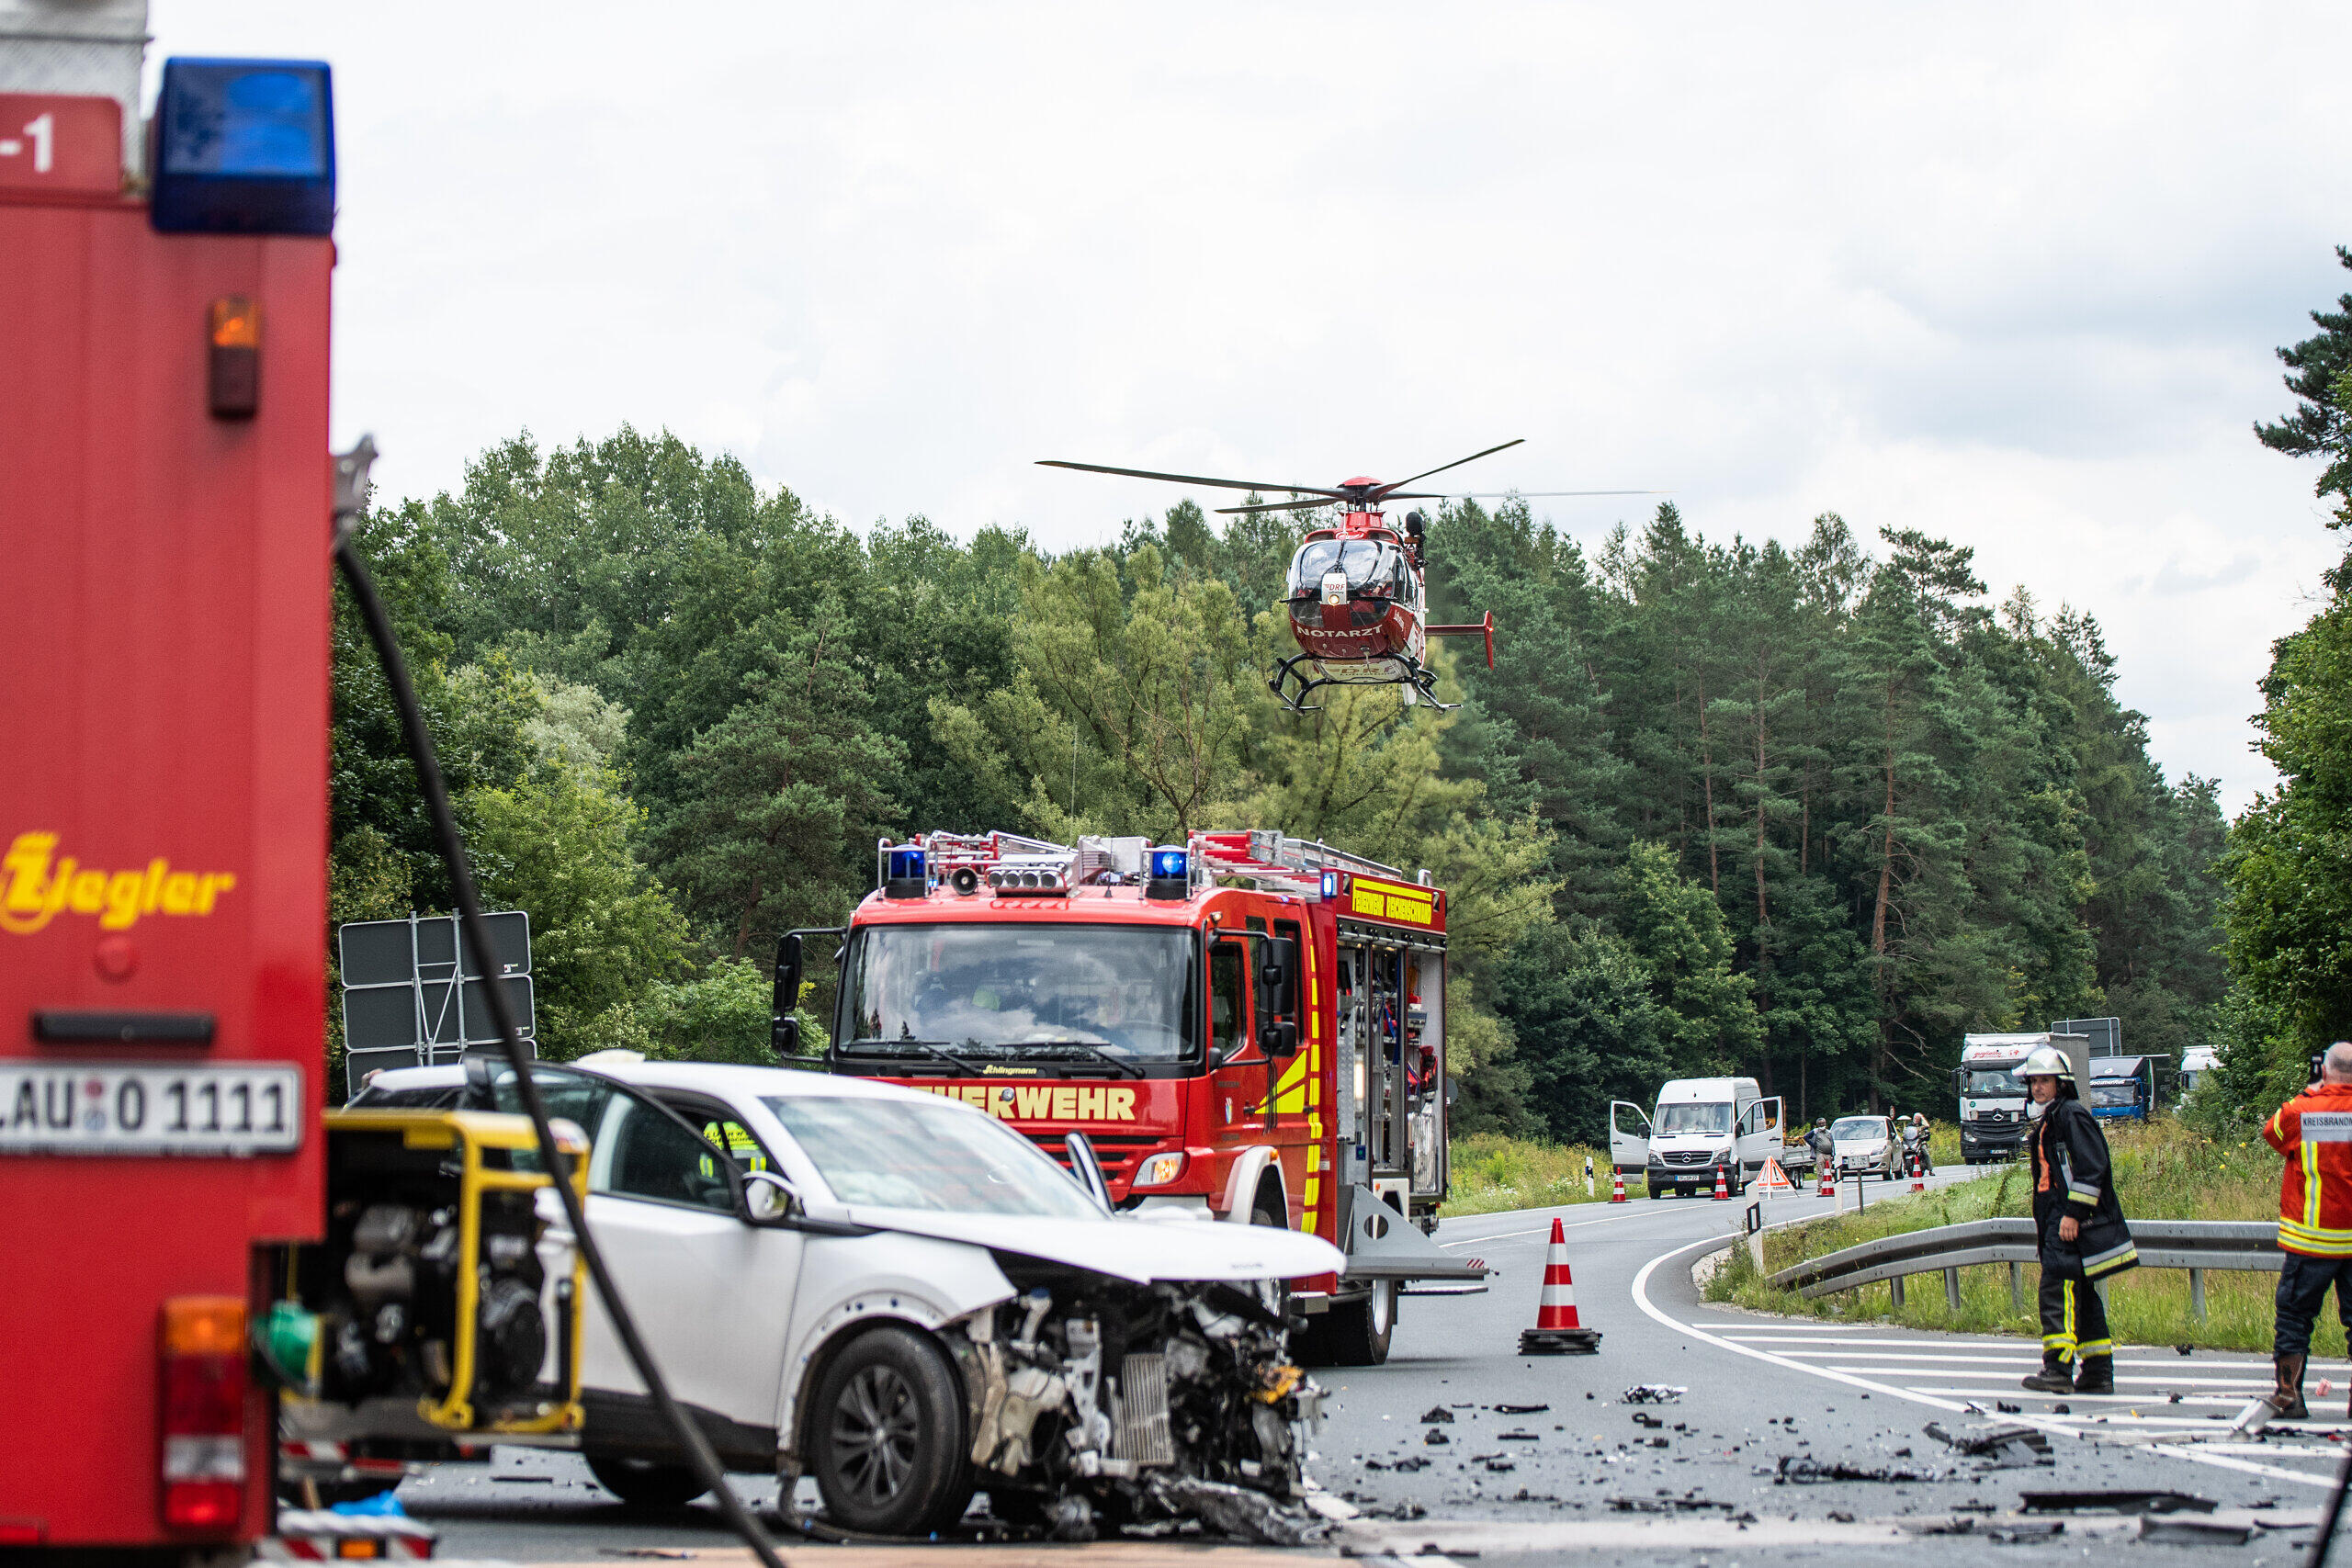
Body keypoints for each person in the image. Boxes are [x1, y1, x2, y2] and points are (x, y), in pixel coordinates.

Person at [2017, 1044, 2138, 1394]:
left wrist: (2073, 1214)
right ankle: (2098, 1372)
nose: (2038, 1087)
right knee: (2082, 1295)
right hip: (2058, 1219)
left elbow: (2092, 1168)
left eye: (2045, 1081)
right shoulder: (2054, 1117)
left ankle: (2057, 1369)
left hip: (2067, 1222)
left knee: (2057, 1291)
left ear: (2062, 1083)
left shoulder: (2070, 1116)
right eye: (2034, 1081)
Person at [2259, 1041, 2352, 1421]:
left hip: (2311, 1240)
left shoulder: (2301, 1110)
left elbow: (2272, 1133)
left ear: (2324, 1070)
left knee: (2295, 1319)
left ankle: (2289, 1397)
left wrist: (2309, 1091)